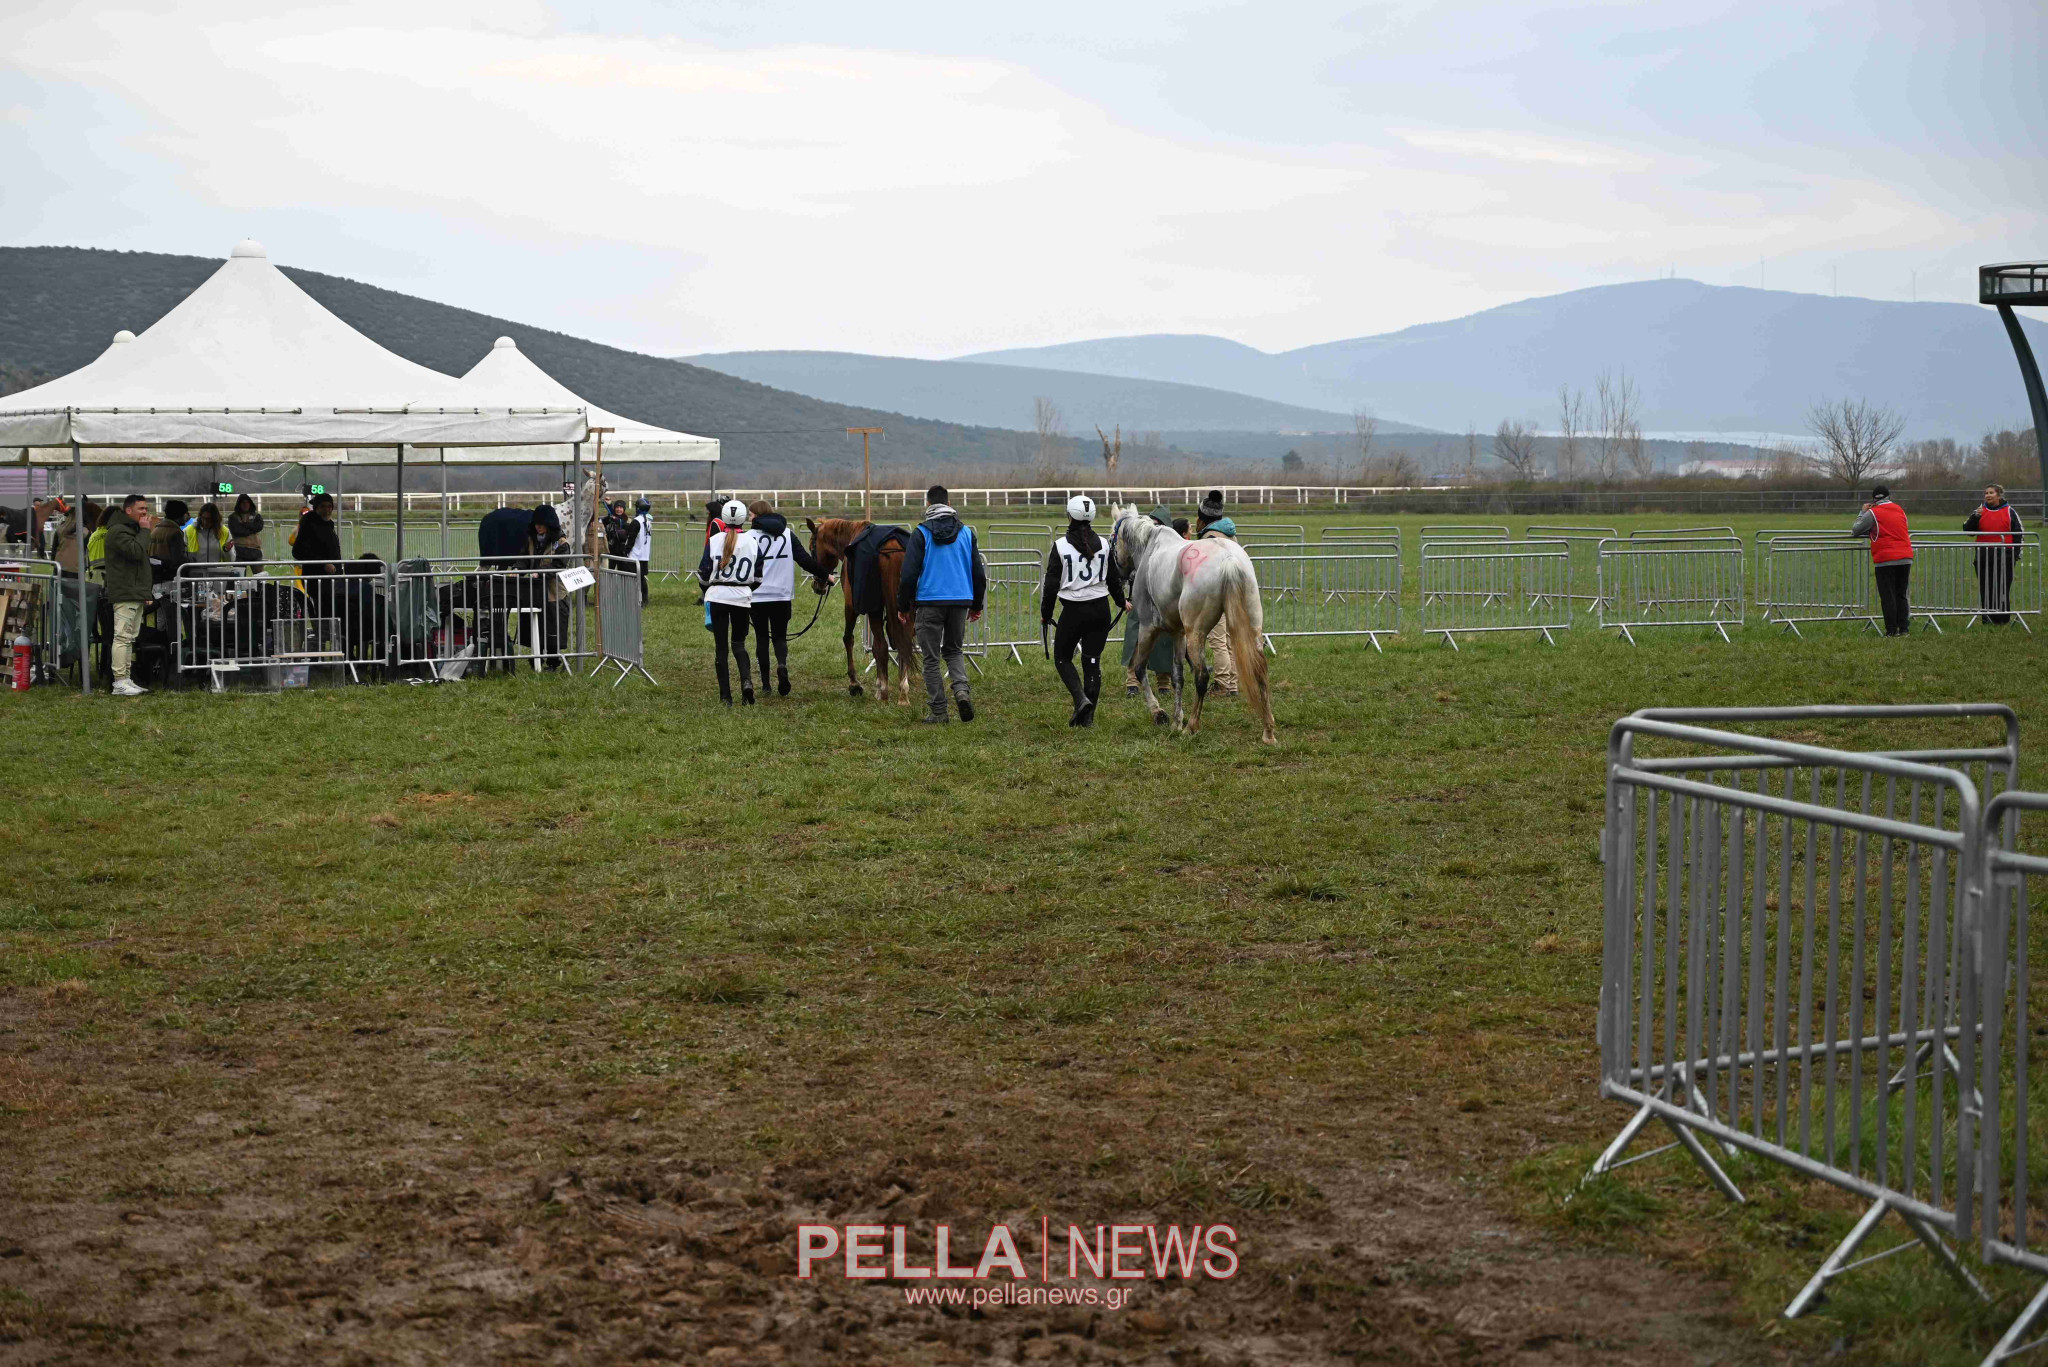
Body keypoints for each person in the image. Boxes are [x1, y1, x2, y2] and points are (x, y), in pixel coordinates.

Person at [896, 483, 987, 724]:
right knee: (954, 651)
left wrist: (903, 606)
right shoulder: (967, 533)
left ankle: (939, 712)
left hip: (929, 602)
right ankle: (961, 692)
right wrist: (977, 604)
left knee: (931, 658)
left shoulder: (921, 533)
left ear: (928, 505)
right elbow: (978, 573)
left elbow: (908, 574)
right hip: (960, 602)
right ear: (949, 504)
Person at [1041, 495, 1116, 726]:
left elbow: (1051, 585)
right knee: (1092, 661)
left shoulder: (1060, 546)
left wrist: (1046, 612)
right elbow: (1113, 579)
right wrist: (1122, 602)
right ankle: (1088, 719)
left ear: (1070, 516)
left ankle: (1080, 699)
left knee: (1062, 658)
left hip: (1074, 611)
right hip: (1101, 609)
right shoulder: (1104, 543)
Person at [748, 500, 827, 697]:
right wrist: (825, 574)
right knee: (780, 637)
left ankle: (766, 685)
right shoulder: (787, 534)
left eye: (750, 515)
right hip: (781, 595)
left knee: (761, 638)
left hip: (756, 595)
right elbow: (804, 560)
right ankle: (782, 665)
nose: (748, 518)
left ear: (757, 516)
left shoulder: (748, 536)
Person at [697, 498, 763, 704]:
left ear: (724, 517)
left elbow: (703, 574)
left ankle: (726, 697)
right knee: (739, 644)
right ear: (743, 518)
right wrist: (744, 590)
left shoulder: (714, 541)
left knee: (721, 649)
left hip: (717, 598)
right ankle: (746, 682)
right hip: (741, 599)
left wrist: (710, 590)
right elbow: (758, 578)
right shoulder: (753, 542)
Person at [1120, 504, 1177, 698]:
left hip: (1163, 598)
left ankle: (1164, 682)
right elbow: (1126, 566)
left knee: (1164, 642)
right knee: (1135, 639)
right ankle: (1132, 681)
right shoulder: (1139, 542)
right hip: (1141, 598)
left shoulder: (1171, 546)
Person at [103, 494, 154, 696]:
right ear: (128, 510)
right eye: (141, 509)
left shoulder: (128, 530)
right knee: (122, 637)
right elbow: (135, 552)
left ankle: (126, 679)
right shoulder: (118, 532)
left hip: (133, 592)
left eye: (145, 509)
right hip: (125, 593)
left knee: (129, 638)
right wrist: (144, 531)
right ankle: (119, 681)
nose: (145, 512)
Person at [1850, 484, 1913, 636]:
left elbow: (1856, 530)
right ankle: (1904, 629)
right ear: (1888, 497)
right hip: (1905, 556)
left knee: (1888, 596)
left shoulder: (1873, 512)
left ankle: (1891, 631)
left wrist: (1862, 512)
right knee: (1901, 594)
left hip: (1885, 558)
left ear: (1874, 499)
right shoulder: (1900, 510)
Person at [1193, 491, 1240, 694]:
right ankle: (1233, 684)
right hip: (1235, 592)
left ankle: (1221, 683)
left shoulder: (1209, 539)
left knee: (1218, 640)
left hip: (1216, 593)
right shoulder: (1230, 535)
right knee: (1231, 640)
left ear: (1202, 519)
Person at [1964, 483, 2023, 626]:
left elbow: (2019, 534)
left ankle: (2002, 619)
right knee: (1986, 587)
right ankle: (1987, 619)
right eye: (1986, 493)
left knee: (2002, 587)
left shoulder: (2010, 512)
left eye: (1991, 493)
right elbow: (1968, 530)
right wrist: (1975, 517)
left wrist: (2015, 555)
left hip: (2005, 556)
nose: (1988, 495)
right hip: (1983, 555)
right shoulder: (1979, 511)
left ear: (1999, 495)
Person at [527, 504, 574, 669]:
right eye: (536, 523)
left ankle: (554, 661)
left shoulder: (561, 543)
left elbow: (559, 565)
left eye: (541, 524)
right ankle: (536, 657)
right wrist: (518, 568)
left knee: (553, 626)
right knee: (535, 625)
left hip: (555, 593)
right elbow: (523, 558)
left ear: (550, 524)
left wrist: (539, 572)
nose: (538, 527)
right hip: (534, 592)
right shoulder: (530, 540)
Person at [293, 493, 343, 619]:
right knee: (324, 611)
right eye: (323, 506)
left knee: (330, 610)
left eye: (329, 506)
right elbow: (298, 551)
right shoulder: (309, 525)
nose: (327, 510)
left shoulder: (327, 524)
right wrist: (323, 564)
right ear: (316, 508)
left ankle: (328, 634)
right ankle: (324, 634)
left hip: (331, 578)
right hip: (318, 579)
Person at [227, 493, 265, 566]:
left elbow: (259, 527)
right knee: (239, 575)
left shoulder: (256, 516)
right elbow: (236, 530)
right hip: (239, 549)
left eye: (247, 502)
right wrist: (251, 529)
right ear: (239, 504)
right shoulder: (233, 517)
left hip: (255, 549)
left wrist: (244, 525)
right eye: (243, 503)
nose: (245, 504)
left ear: (250, 503)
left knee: (259, 576)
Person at [630, 498, 655, 605]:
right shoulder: (648, 521)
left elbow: (631, 538)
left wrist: (626, 551)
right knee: (642, 579)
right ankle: (644, 599)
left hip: (635, 555)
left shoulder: (636, 521)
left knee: (635, 579)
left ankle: (638, 599)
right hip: (644, 555)